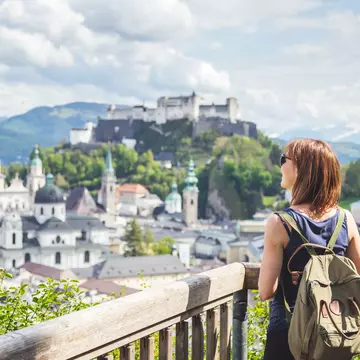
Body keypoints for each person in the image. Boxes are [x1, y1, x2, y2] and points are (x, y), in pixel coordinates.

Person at [258, 138, 360, 360]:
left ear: (301, 169)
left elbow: (266, 290)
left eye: (284, 159)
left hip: (288, 337)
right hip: (334, 334)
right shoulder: (346, 219)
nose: (281, 165)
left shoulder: (280, 222)